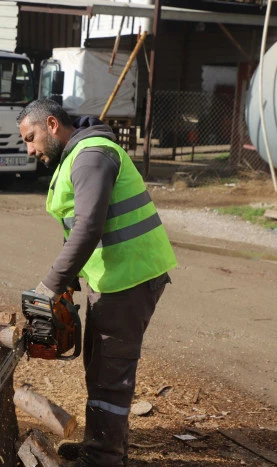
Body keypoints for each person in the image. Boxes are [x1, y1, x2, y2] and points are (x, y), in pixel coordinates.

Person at [17, 99, 177, 466]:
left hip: (131, 276)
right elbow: (78, 228)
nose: (30, 150)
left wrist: (49, 286)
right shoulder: (78, 155)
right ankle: (102, 446)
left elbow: (89, 227)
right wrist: (69, 282)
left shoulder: (91, 156)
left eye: (30, 138)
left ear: (52, 124)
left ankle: (103, 458)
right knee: (99, 366)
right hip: (116, 276)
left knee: (110, 374)